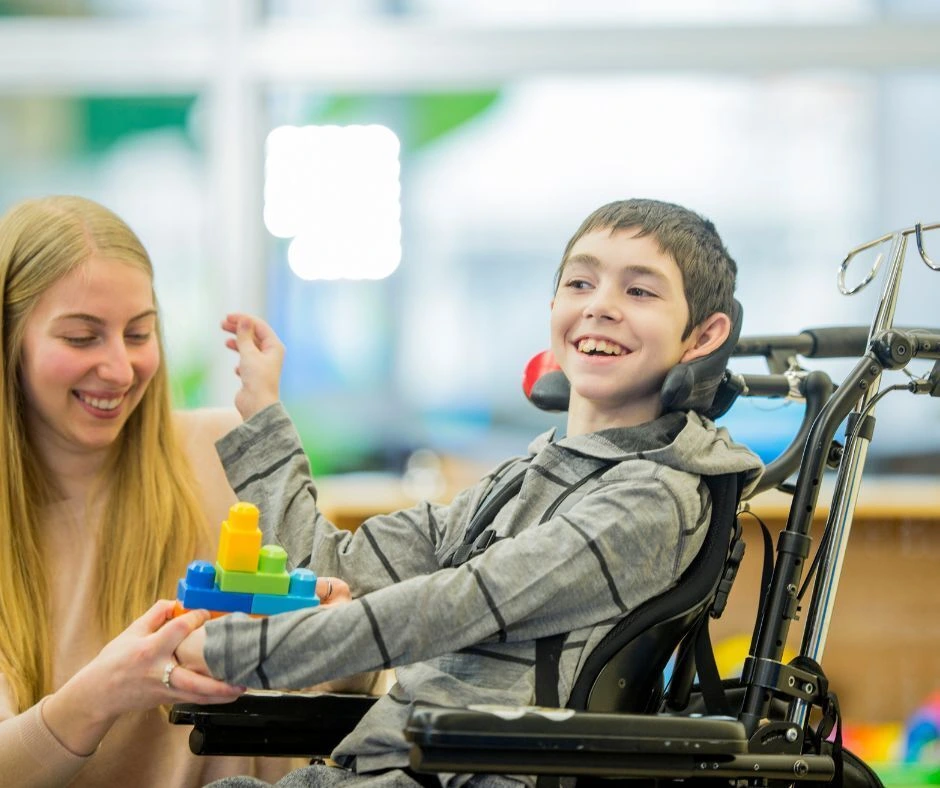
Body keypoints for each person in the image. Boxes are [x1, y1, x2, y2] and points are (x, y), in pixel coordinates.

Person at [177, 198, 765, 787]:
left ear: (704, 335)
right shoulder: (524, 478)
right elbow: (326, 567)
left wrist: (240, 652)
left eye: (640, 292)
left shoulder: (654, 499)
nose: (600, 307)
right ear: (554, 306)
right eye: (580, 282)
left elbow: (459, 603)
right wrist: (262, 415)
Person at [0, 195, 321, 787]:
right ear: (9, 345)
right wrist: (103, 693)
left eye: (138, 333)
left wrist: (342, 635)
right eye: (81, 337)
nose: (121, 370)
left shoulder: (230, 450)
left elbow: (334, 692)